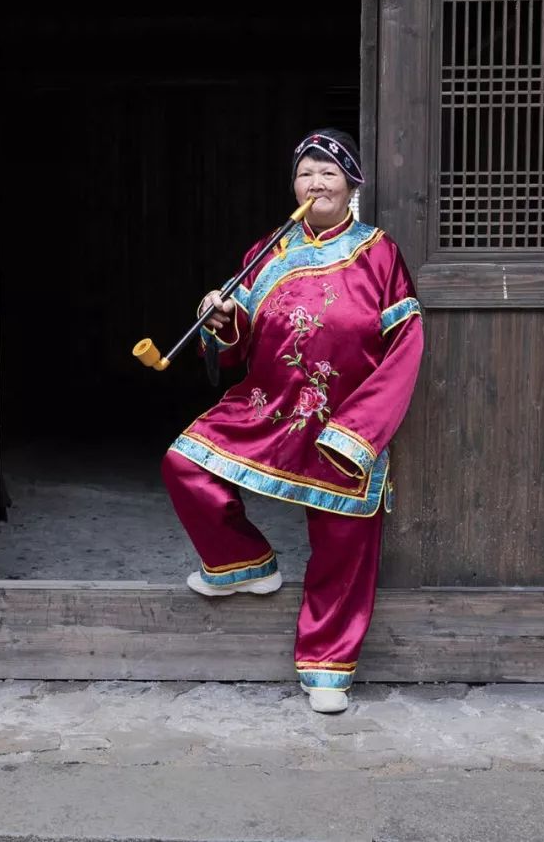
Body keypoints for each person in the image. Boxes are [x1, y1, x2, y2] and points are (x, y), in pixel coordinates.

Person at [161, 128, 424, 713]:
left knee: (344, 539)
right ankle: (242, 562)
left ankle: (328, 664)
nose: (315, 183)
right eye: (306, 173)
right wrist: (221, 317)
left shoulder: (378, 251)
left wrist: (365, 427)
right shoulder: (267, 251)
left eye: (329, 173)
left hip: (340, 417)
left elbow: (406, 341)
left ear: (352, 187)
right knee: (185, 464)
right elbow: (237, 345)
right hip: (271, 404)